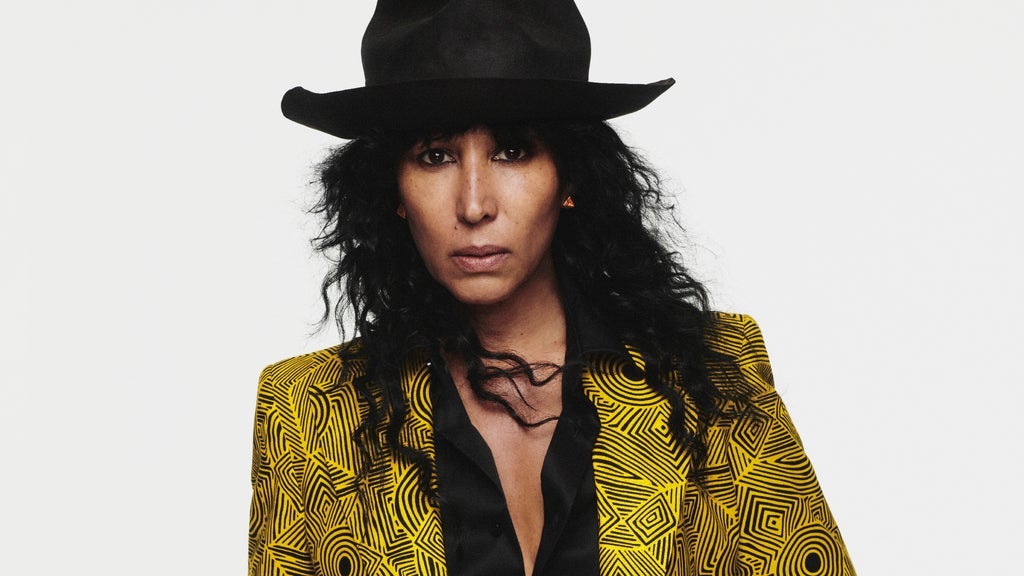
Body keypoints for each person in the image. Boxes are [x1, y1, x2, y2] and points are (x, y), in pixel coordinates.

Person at [249, 1, 855, 575]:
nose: (474, 204)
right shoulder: (305, 414)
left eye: (512, 152)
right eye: (435, 156)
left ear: (569, 177)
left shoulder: (710, 375)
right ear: (394, 190)